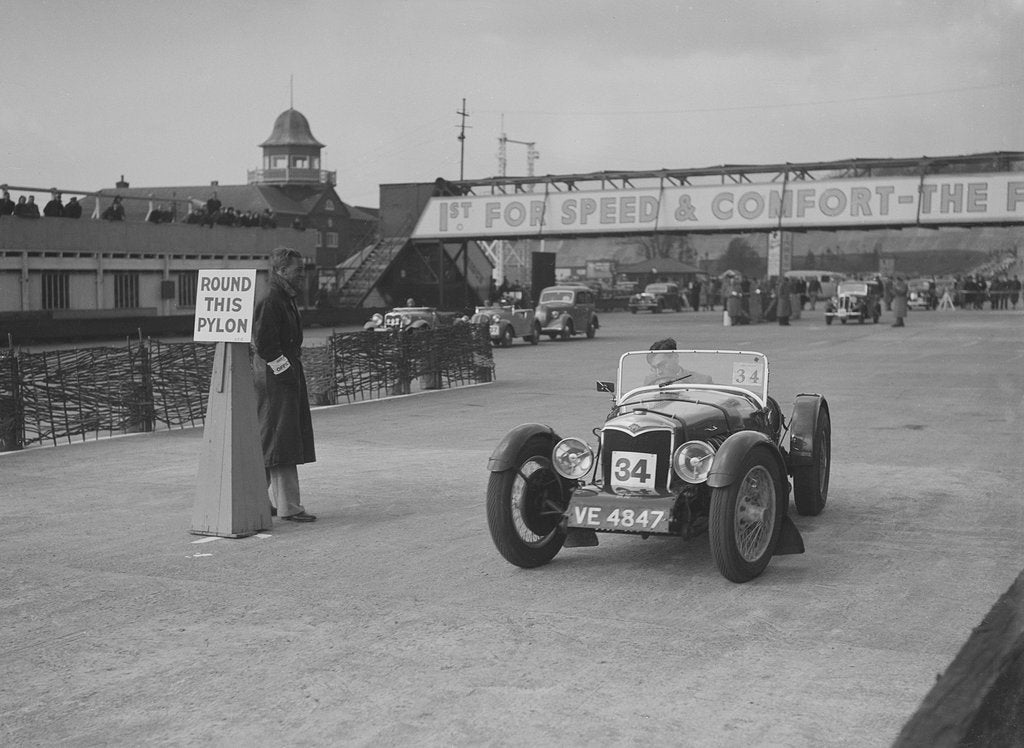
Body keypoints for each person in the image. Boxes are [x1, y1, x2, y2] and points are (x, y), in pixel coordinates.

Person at [252, 247, 317, 523]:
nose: (301, 275)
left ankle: (255, 498)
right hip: (276, 379)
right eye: (297, 270)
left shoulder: (280, 296)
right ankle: (288, 505)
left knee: (274, 438)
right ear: (281, 270)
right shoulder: (273, 299)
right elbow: (266, 345)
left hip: (277, 376)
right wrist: (286, 371)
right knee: (281, 439)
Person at [644, 338, 713, 385]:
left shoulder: (701, 381)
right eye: (654, 368)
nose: (658, 372)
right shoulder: (649, 381)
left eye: (662, 365)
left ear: (675, 357)